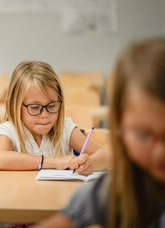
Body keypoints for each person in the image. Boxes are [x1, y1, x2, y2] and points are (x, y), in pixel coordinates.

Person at [32, 38, 165, 228]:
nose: (160, 152)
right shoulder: (117, 189)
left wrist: (92, 162)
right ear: (121, 130)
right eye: (144, 135)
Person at [0, 61, 110, 175]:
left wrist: (91, 164)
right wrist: (54, 162)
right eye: (35, 107)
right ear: (13, 106)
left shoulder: (65, 129)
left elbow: (107, 156)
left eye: (52, 106)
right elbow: (0, 158)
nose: (44, 115)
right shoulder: (10, 130)